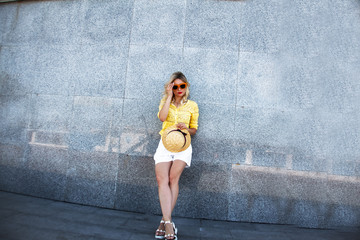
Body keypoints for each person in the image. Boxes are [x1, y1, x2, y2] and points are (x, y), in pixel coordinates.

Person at [154, 72, 199, 240]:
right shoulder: (166, 101)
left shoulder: (192, 105)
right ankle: (168, 222)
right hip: (165, 145)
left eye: (182, 86)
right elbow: (162, 117)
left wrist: (186, 128)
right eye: (175, 86)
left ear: (186, 86)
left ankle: (165, 223)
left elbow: (194, 129)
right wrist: (168, 97)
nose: (179, 89)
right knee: (161, 180)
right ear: (171, 87)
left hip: (183, 146)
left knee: (173, 179)